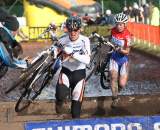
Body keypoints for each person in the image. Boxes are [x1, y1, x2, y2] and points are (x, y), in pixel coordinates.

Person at [55, 16, 91, 118]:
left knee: (76, 113)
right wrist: (59, 53)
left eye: (75, 30)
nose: (73, 33)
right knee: (61, 95)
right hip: (66, 72)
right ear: (67, 29)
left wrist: (73, 54)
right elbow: (55, 54)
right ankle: (58, 102)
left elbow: (87, 60)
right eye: (70, 30)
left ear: (80, 29)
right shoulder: (62, 40)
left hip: (79, 74)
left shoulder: (85, 40)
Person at [109, 13, 132, 108]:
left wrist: (120, 50)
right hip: (114, 58)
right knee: (113, 77)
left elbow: (127, 52)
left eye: (121, 24)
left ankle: (117, 91)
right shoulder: (113, 30)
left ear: (125, 24)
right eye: (117, 24)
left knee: (122, 84)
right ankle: (115, 98)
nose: (118, 26)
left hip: (123, 59)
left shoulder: (128, 36)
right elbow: (110, 39)